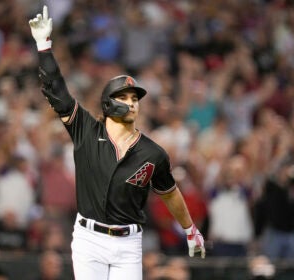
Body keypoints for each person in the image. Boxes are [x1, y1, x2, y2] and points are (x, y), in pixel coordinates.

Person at [28, 6, 205, 280]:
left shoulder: (152, 152)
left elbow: (169, 192)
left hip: (128, 243)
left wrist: (190, 229)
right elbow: (58, 93)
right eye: (124, 98)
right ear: (108, 104)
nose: (132, 103)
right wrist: (44, 47)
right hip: (89, 238)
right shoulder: (85, 130)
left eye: (135, 99)